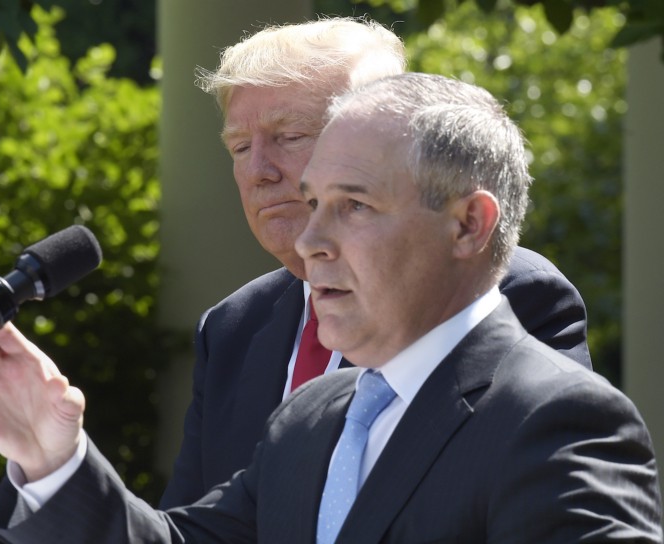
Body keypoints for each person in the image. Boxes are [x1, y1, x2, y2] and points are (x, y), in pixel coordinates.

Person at [0, 72, 661, 542]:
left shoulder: (557, 419)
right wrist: (53, 458)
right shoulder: (311, 419)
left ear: (468, 224)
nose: (310, 240)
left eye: (353, 206)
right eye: (313, 203)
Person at [160, 16, 592, 509]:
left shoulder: (506, 294)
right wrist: (61, 464)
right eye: (240, 146)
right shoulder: (232, 327)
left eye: (290, 136)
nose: (258, 170)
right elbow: (192, 525)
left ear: (380, 134)